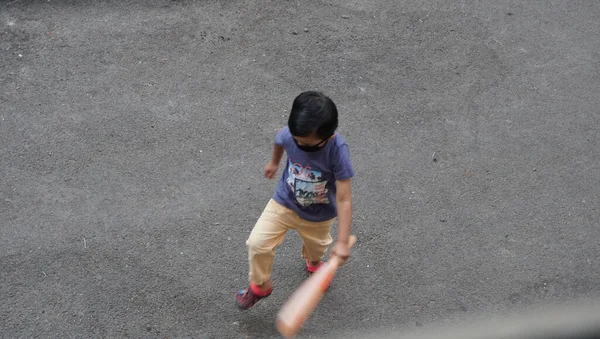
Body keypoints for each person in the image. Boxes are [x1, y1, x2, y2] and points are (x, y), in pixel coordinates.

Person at [235, 91, 355, 310]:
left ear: (328, 137)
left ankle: (315, 263)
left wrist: (342, 240)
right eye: (297, 142)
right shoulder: (291, 135)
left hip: (319, 215)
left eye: (307, 145)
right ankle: (261, 285)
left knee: (316, 248)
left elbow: (344, 198)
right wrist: (274, 162)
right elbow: (279, 141)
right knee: (257, 243)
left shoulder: (337, 151)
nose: (300, 147)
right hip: (284, 202)